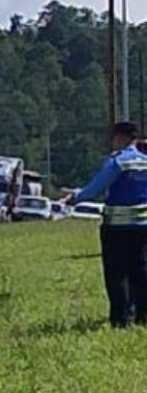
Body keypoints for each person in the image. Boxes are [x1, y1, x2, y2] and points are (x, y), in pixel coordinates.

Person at [68, 120, 147, 328]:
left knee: (117, 273)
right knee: (141, 270)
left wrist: (75, 196)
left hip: (117, 226)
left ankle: (121, 319)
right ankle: (143, 316)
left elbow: (93, 190)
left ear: (119, 138)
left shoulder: (117, 162)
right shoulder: (145, 161)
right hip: (142, 225)